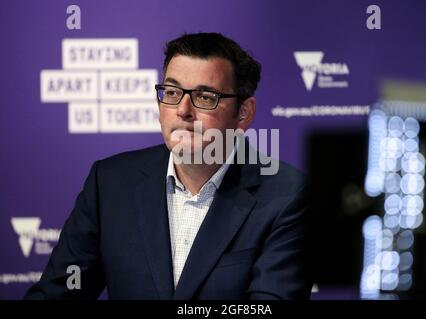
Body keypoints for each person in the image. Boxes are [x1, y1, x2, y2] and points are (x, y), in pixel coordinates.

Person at [24, 32, 312, 300]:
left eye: (205, 97)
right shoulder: (110, 183)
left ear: (244, 113)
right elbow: (59, 293)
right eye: (172, 92)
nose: (183, 110)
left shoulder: (287, 195)